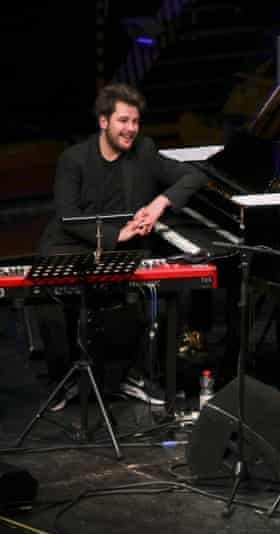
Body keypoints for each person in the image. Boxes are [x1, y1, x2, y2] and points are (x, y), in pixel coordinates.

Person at [37, 83, 207, 410]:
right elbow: (69, 216)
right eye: (123, 121)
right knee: (51, 294)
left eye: (135, 122)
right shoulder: (73, 159)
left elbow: (194, 175)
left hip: (122, 249)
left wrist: (161, 201)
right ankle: (64, 379)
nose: (130, 129)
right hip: (73, 244)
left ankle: (137, 374)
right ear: (104, 121)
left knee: (169, 284)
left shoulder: (144, 151)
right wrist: (118, 236)